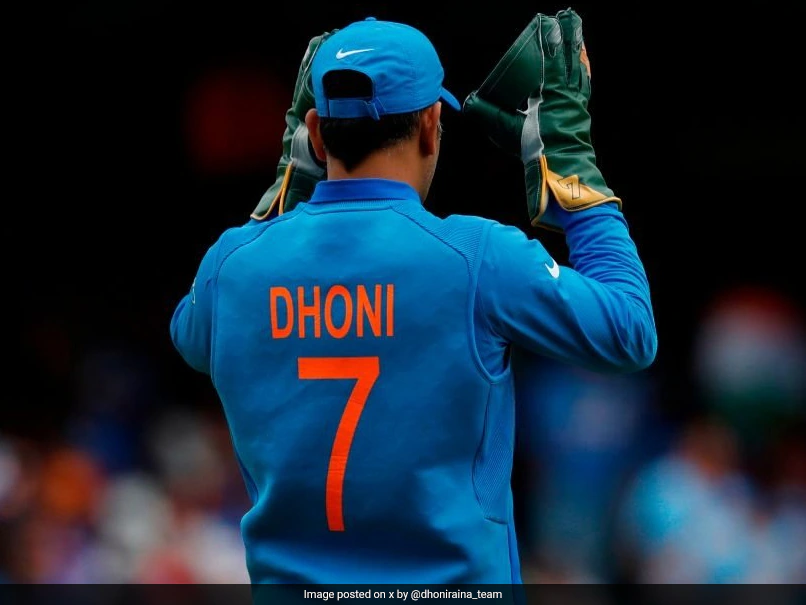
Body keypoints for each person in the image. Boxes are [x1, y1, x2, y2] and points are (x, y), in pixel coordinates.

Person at [170, 11, 657, 585]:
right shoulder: (477, 256)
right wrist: (571, 169)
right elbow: (630, 331)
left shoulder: (231, 264)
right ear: (431, 124)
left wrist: (290, 181)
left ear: (316, 133)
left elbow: (191, 336)